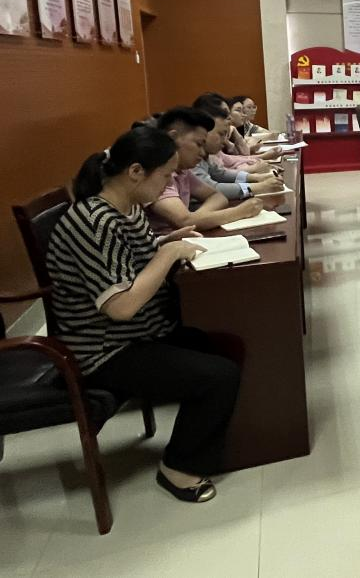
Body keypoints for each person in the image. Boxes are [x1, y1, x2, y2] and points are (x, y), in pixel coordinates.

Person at [46, 126, 241, 503]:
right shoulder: (94, 222)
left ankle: (212, 436)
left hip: (139, 331)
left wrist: (165, 242)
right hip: (104, 350)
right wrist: (167, 255)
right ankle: (179, 467)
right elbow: (121, 306)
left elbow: (131, 255)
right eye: (166, 176)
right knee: (219, 376)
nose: (170, 183)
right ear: (135, 171)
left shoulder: (127, 206)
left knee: (223, 341)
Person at [148, 107, 265, 230]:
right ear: (173, 138)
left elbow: (217, 196)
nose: (202, 152)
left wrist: (196, 218)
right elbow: (183, 221)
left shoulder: (183, 170)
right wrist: (240, 212)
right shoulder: (156, 172)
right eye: (198, 144)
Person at [192, 103, 284, 199]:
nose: (224, 140)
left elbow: (220, 174)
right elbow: (212, 189)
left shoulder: (206, 154)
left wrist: (257, 178)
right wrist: (260, 186)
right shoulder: (192, 157)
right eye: (221, 134)